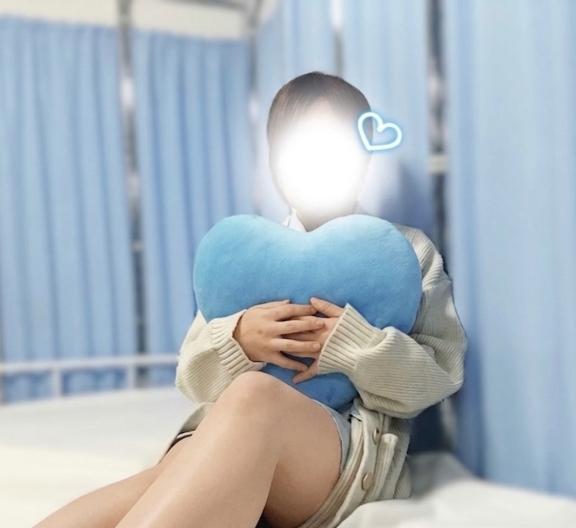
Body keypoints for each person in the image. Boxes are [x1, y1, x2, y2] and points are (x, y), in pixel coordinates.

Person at [35, 72, 467, 528]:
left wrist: (352, 345)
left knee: (255, 395)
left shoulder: (404, 253)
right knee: (163, 477)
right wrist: (237, 340)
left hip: (340, 459)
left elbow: (438, 377)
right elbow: (192, 380)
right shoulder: (248, 255)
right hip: (228, 435)